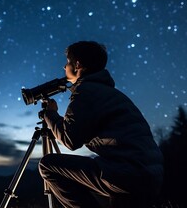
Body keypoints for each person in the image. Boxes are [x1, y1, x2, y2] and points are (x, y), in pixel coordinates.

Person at [39, 41, 163, 208]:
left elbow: (70, 140)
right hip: (149, 173)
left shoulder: (86, 92)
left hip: (127, 173)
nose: (64, 66)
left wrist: (51, 114)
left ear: (77, 64)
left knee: (47, 165)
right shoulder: (109, 93)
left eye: (68, 61)